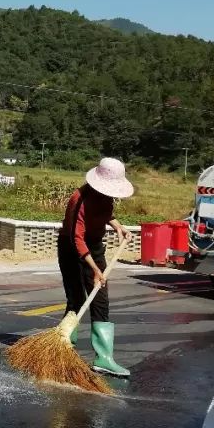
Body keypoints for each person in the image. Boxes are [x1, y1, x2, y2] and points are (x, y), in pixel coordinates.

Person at [57, 157, 134, 378]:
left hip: (94, 247)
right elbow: (76, 239)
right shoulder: (79, 199)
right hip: (71, 248)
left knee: (100, 299)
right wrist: (95, 270)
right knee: (77, 300)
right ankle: (62, 348)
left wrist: (119, 227)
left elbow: (106, 214)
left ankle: (104, 358)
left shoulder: (106, 198)